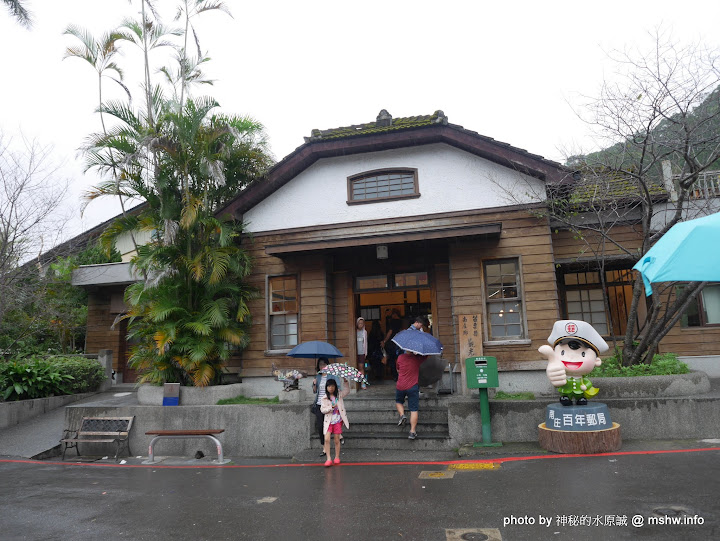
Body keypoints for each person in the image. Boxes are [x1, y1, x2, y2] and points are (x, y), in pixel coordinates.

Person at [538, 320, 609, 406]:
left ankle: (580, 399)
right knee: (565, 397)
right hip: (566, 390)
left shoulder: (583, 379)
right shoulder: (561, 373)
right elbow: (558, 383)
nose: (571, 358)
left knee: (581, 399)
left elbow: (587, 382)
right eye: (562, 353)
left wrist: (586, 387)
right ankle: (566, 398)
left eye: (583, 354)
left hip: (579, 391)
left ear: (597, 361)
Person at [312, 357, 343, 455]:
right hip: (319, 404)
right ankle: (324, 447)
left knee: (330, 425)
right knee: (321, 426)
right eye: (321, 364)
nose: (322, 366)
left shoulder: (332, 375)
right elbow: (314, 391)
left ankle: (338, 437)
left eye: (324, 364)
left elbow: (338, 387)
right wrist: (314, 384)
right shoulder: (318, 376)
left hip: (330, 404)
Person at [394, 350, 427, 440]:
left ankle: (402, 415)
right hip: (412, 387)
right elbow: (426, 356)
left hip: (400, 385)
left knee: (398, 401)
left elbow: (398, 369)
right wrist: (419, 353)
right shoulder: (417, 359)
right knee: (413, 409)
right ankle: (412, 432)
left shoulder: (400, 357)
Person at [320, 377, 350, 466]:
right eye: (329, 386)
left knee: (336, 439)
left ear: (335, 387)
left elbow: (347, 391)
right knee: (327, 439)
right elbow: (323, 410)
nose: (331, 388)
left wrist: (345, 382)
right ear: (326, 387)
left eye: (332, 386)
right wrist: (331, 408)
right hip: (328, 421)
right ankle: (328, 458)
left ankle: (337, 457)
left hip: (337, 421)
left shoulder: (339, 395)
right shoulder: (324, 398)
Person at [381, 309, 403, 381]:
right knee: (400, 359)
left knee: (392, 360)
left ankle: (395, 375)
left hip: (392, 342)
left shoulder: (393, 322)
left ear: (394, 314)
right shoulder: (401, 321)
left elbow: (390, 332)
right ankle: (400, 375)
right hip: (400, 342)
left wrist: (384, 341)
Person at [355, 317, 368, 390]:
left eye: (362, 323)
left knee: (361, 367)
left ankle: (362, 383)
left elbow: (365, 343)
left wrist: (365, 353)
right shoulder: (354, 331)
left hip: (361, 352)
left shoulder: (364, 332)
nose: (360, 325)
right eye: (359, 323)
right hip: (355, 352)